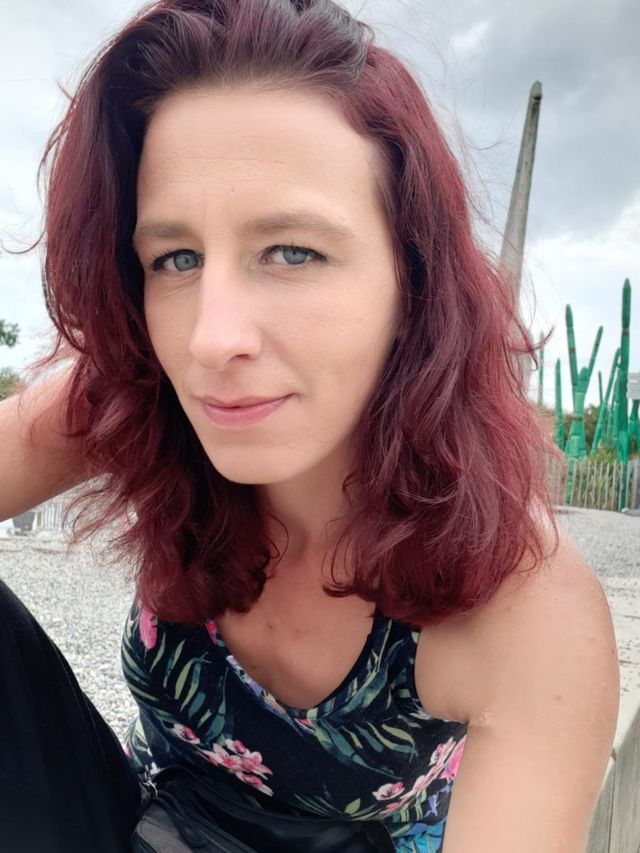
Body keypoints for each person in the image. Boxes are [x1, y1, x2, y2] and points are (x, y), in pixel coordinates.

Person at [0, 1, 619, 851]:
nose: (212, 338)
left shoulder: (531, 606)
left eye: (292, 251)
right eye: (176, 258)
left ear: (413, 283)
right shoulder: (139, 395)